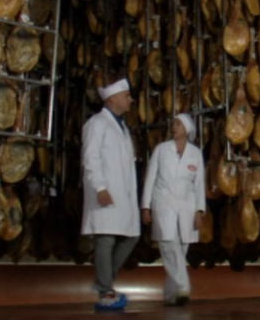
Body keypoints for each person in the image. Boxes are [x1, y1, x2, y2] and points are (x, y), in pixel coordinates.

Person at [81, 77, 139, 311]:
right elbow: (90, 158)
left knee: (131, 236)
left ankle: (103, 282)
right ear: (113, 99)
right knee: (105, 239)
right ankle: (106, 291)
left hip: (123, 195)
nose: (131, 100)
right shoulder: (97, 124)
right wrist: (100, 187)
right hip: (105, 191)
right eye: (127, 96)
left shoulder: (122, 127)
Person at [140, 113, 206, 306]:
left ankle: (171, 295)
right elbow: (150, 178)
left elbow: (199, 184)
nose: (174, 127)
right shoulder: (161, 150)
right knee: (168, 244)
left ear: (187, 129)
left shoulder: (195, 153)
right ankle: (183, 286)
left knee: (181, 250)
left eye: (178, 124)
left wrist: (199, 211)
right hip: (163, 203)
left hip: (187, 206)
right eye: (174, 124)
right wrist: (146, 206)